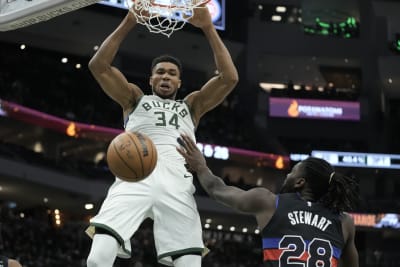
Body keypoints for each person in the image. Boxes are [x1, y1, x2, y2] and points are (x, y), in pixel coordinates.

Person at [85, 4, 238, 267]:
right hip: (134, 178)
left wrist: (208, 27)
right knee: (98, 260)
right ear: (151, 79)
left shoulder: (191, 105)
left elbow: (229, 78)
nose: (165, 76)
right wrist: (130, 20)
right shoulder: (134, 98)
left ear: (179, 82)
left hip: (177, 183)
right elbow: (98, 66)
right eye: (160, 72)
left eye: (172, 73)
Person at [176, 134, 359, 267]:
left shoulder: (269, 202)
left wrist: (200, 167)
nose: (287, 175)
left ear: (300, 182)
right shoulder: (344, 222)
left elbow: (217, 189)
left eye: (292, 172)